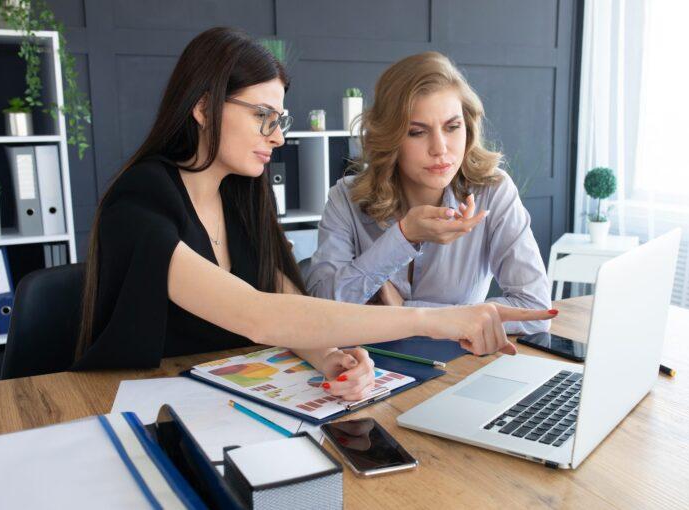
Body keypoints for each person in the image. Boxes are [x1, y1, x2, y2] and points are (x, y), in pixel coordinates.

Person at [74, 29, 557, 402]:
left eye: (279, 120)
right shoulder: (141, 198)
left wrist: (333, 359)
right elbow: (260, 317)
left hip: (222, 394)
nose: (278, 136)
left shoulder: (241, 197)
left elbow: (291, 306)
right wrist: (438, 321)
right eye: (263, 116)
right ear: (203, 108)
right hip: (129, 400)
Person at [306, 52, 552, 334]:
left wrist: (406, 313)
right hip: (365, 367)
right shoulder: (345, 199)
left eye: (452, 127)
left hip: (460, 364)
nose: (440, 148)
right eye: (417, 132)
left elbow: (535, 310)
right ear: (390, 138)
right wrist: (402, 237)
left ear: (468, 128)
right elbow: (319, 311)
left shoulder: (493, 192)